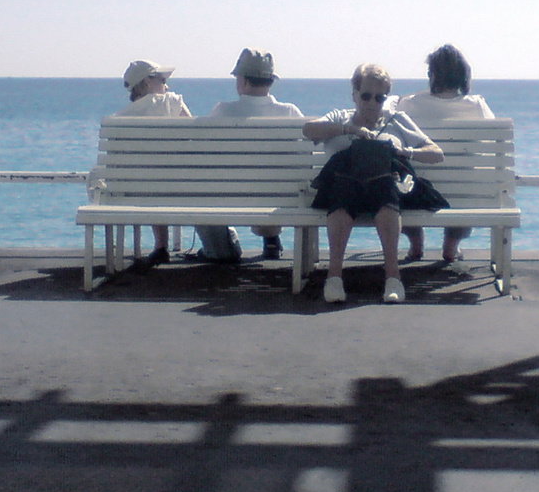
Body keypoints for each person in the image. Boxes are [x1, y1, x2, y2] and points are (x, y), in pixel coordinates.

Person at [303, 63, 445, 304]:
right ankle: (334, 277)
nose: (371, 103)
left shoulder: (396, 119)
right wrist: (350, 130)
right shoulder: (340, 117)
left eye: (379, 98)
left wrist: (406, 152)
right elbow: (309, 130)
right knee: (344, 186)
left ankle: (393, 277)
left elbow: (436, 152)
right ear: (354, 95)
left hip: (385, 191)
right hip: (344, 190)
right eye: (366, 95)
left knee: (384, 184)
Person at [393, 44, 494, 263]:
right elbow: (491, 143)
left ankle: (416, 244)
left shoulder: (410, 104)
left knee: (405, 178)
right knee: (465, 183)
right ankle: (451, 246)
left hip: (418, 194)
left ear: (434, 75)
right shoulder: (477, 106)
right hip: (466, 196)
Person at [202, 48, 304, 261]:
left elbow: (203, 153)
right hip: (280, 199)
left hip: (229, 197)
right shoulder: (290, 113)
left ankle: (219, 248)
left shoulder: (222, 111)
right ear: (270, 81)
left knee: (204, 187)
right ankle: (271, 240)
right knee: (274, 179)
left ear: (245, 81)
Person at [110, 60, 191, 264]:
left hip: (135, 192)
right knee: (164, 176)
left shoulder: (119, 119)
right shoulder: (172, 102)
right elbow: (195, 137)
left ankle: (161, 246)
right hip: (183, 188)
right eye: (162, 80)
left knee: (153, 179)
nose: (167, 86)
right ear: (147, 82)